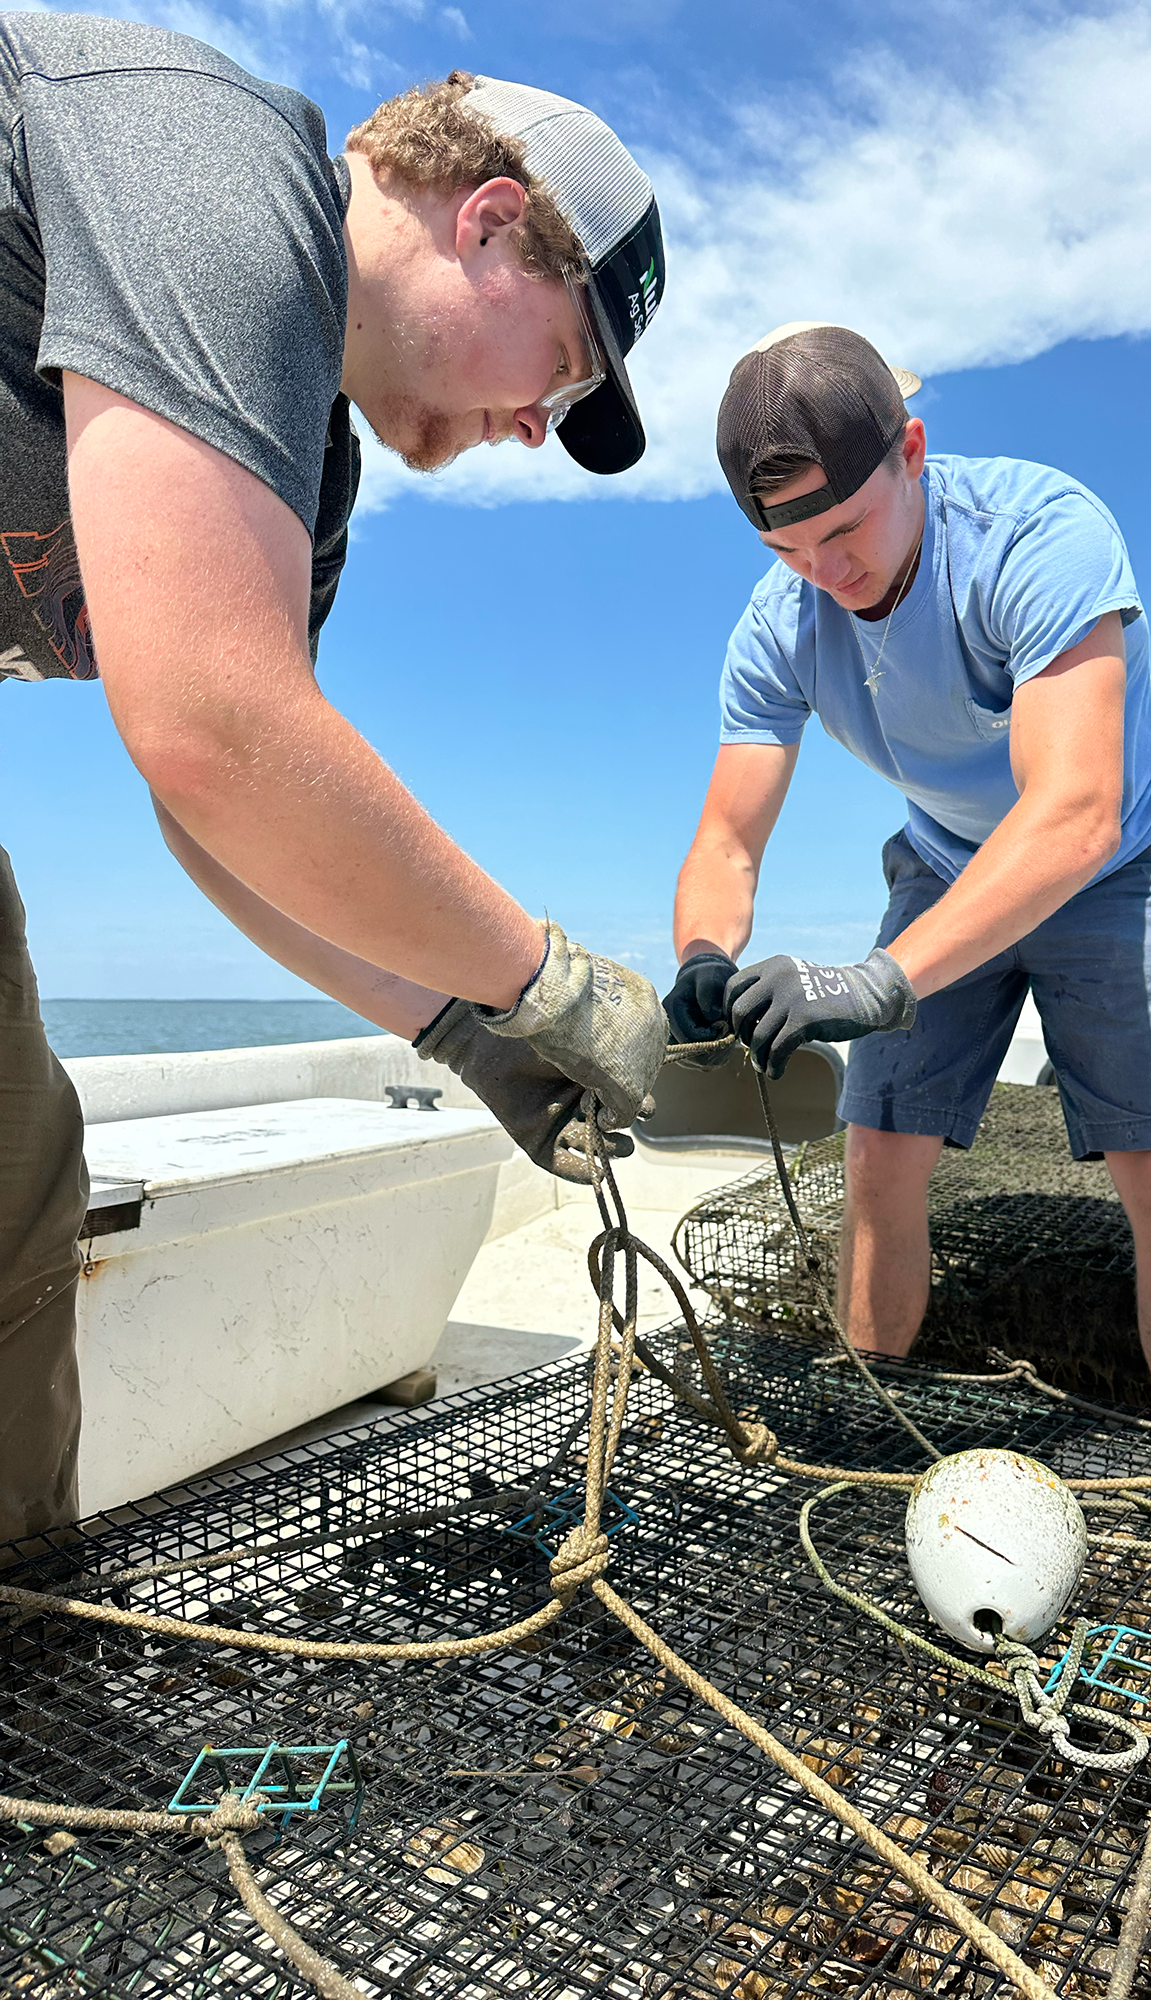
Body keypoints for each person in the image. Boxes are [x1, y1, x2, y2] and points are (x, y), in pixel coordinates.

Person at [0, 13, 672, 1542]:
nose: (531, 428)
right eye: (560, 366)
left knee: (14, 1192)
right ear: (492, 217)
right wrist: (549, 985)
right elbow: (217, 728)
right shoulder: (217, 167)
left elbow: (222, 820)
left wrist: (456, 1024)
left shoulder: (311, 478)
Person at [665, 322, 1151, 1423]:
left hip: (1114, 861)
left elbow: (1070, 813)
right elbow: (729, 840)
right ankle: (860, 1442)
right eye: (787, 549)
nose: (827, 571)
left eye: (846, 527)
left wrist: (876, 980)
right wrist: (703, 954)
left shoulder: (1040, 535)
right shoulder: (781, 622)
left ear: (914, 451)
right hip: (943, 861)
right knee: (878, 1155)